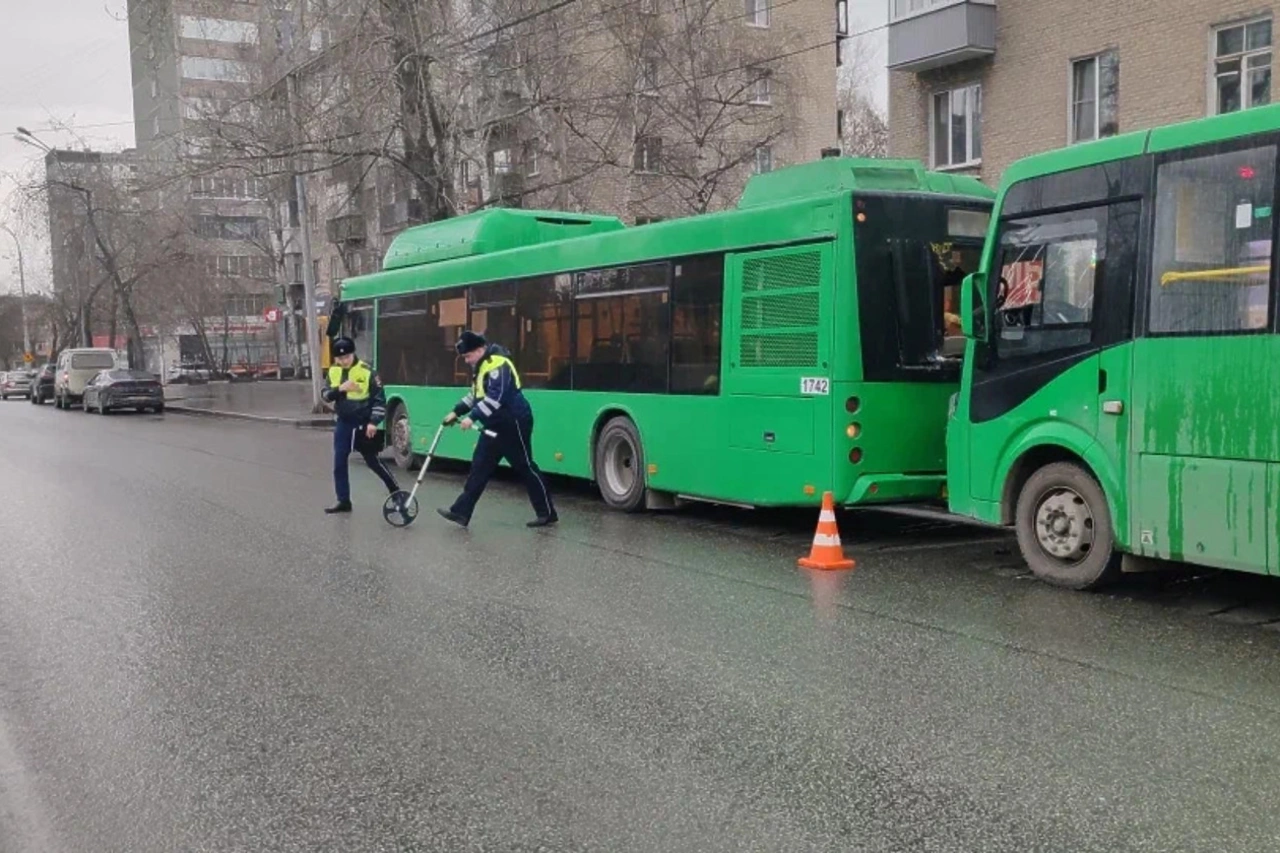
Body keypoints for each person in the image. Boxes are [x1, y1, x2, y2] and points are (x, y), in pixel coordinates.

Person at [437, 330, 558, 528]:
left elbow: (496, 398)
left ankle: (547, 512)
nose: (466, 361)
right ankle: (461, 512)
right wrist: (456, 412)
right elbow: (475, 395)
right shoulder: (482, 365)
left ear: (479, 350)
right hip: (494, 423)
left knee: (525, 466)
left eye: (468, 356)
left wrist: (472, 417)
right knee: (479, 466)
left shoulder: (498, 364)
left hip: (514, 422)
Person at [321, 336, 403, 514]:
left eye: (346, 357)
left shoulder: (367, 372)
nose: (343, 361)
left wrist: (374, 422)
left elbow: (380, 400)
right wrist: (340, 389)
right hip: (344, 423)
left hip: (363, 423)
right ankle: (343, 500)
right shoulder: (333, 371)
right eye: (339, 358)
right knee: (339, 462)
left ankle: (396, 493)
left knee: (373, 461)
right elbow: (325, 395)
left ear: (353, 354)